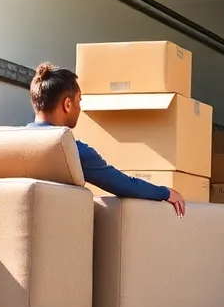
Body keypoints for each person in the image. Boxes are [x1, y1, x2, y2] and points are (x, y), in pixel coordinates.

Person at [25, 62, 187, 216]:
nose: (80, 108)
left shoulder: (11, 143)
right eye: (79, 101)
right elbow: (123, 184)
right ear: (67, 104)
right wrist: (165, 192)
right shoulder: (70, 149)